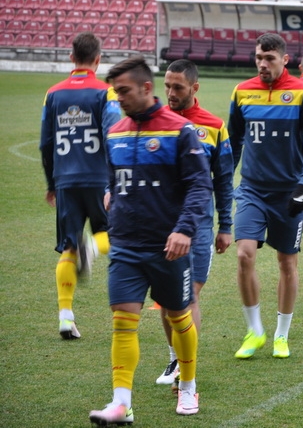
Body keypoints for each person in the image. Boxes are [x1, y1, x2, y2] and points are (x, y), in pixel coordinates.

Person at [89, 56, 212, 424]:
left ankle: (188, 386)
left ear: (146, 88)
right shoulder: (115, 132)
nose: (119, 98)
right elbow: (113, 179)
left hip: (169, 247)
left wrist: (184, 229)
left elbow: (199, 185)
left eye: (124, 91)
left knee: (179, 318)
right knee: (123, 321)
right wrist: (112, 194)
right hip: (125, 245)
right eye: (115, 92)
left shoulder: (180, 131)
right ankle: (121, 403)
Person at [228, 33, 303, 359]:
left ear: (285, 59)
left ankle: (281, 335)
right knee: (244, 255)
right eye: (258, 58)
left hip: (289, 193)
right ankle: (254, 331)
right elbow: (234, 142)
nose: (263, 64)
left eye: (269, 58)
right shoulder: (242, 92)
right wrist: (225, 180)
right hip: (252, 190)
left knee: (287, 262)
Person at [155, 59, 234, 387]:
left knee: (187, 298)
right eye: (167, 86)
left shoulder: (213, 126)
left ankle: (187, 372)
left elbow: (224, 179)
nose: (171, 93)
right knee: (166, 298)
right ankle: (175, 358)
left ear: (194, 88)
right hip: (161, 224)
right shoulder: (156, 122)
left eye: (178, 87)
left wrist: (226, 225)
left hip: (199, 227)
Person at [39, 31, 120, 340]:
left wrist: (52, 183)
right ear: (97, 60)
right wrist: (114, 181)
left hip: (66, 181)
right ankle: (92, 249)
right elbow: (113, 136)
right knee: (115, 234)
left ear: (71, 57)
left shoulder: (53, 94)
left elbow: (46, 143)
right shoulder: (105, 93)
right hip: (98, 178)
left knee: (67, 247)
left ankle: (65, 317)